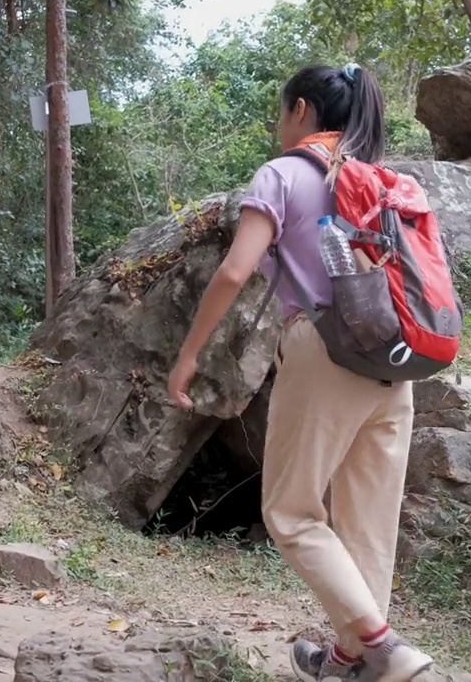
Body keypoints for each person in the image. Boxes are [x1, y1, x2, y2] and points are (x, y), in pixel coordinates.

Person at [167, 63, 434, 682]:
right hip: (396, 357)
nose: (278, 123)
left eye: (281, 111)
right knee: (368, 518)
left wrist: (188, 356)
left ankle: (385, 648)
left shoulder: (283, 175)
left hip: (325, 349)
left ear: (303, 110)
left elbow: (235, 272)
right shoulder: (383, 177)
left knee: (290, 510)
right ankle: (348, 660)